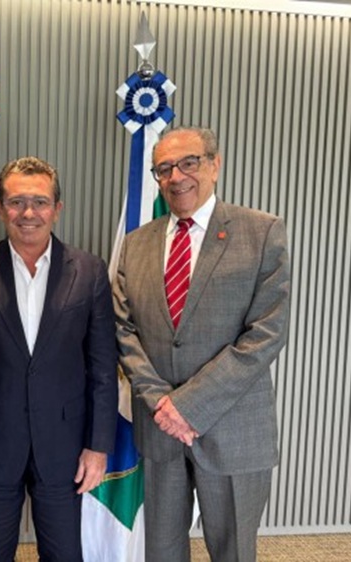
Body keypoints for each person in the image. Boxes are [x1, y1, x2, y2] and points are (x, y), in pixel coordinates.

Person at [113, 127, 290, 562]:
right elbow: (124, 330)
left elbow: (266, 332)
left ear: (215, 164)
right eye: (164, 169)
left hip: (234, 430)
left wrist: (188, 406)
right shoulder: (136, 244)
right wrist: (162, 404)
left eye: (188, 162)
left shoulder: (261, 232)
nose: (176, 177)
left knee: (233, 552)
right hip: (160, 429)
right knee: (162, 551)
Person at [0, 157, 118, 561]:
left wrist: (98, 446)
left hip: (65, 448)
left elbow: (104, 369)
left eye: (40, 202)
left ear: (57, 208)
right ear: (0, 208)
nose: (28, 213)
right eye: (17, 202)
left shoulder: (89, 272)